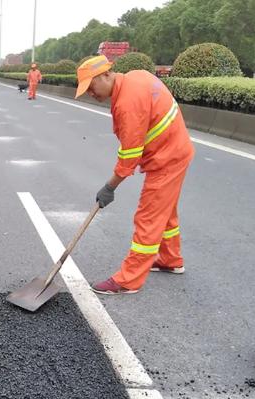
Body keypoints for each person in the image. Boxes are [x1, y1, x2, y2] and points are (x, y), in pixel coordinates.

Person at [74, 55, 194, 295]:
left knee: (148, 217)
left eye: (91, 87)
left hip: (167, 159)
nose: (91, 94)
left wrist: (109, 187)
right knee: (165, 213)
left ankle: (128, 279)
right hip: (174, 151)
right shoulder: (137, 77)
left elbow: (129, 156)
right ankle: (171, 260)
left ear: (106, 74)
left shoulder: (127, 103)